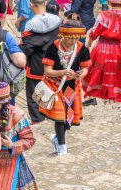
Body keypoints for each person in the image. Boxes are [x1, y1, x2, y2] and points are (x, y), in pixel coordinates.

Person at [41, 20, 91, 155]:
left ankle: (57, 138)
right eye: (70, 37)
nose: (73, 41)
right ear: (63, 34)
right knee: (60, 117)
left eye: (76, 38)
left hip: (72, 87)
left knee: (68, 119)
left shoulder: (82, 48)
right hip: (55, 86)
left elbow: (85, 67)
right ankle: (62, 145)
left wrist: (81, 74)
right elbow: (47, 71)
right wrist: (62, 72)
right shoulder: (53, 48)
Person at [20, 0, 62, 124]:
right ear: (45, 4)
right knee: (53, 87)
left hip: (36, 64)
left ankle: (37, 118)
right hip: (54, 61)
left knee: (33, 92)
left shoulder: (30, 24)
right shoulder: (58, 20)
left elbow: (28, 48)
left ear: (31, 5)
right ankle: (53, 113)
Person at [82, 0, 121, 105]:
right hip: (116, 50)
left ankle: (91, 96)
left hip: (101, 48)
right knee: (113, 74)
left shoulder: (103, 15)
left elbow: (94, 31)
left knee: (94, 72)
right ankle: (111, 99)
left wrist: (89, 44)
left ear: (109, 4)